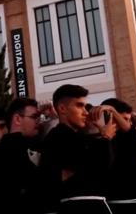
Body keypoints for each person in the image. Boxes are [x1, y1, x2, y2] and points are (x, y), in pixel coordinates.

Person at [39, 84, 115, 213]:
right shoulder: (57, 137)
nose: (86, 112)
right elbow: (96, 167)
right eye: (79, 106)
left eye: (85, 106)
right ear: (62, 108)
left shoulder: (79, 137)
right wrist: (106, 137)